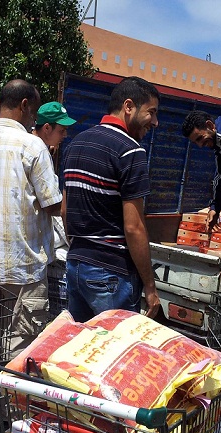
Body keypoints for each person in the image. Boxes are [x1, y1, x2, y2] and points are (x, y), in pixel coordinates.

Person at [0, 79, 62, 358]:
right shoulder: (32, 146)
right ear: (24, 105)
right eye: (34, 111)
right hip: (24, 267)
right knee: (20, 348)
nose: (34, 117)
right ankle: (9, 402)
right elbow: (52, 203)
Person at [61, 76, 161, 322]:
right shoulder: (131, 151)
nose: (156, 122)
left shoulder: (75, 144)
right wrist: (150, 286)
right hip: (111, 275)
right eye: (152, 112)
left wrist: (81, 250)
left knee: (81, 350)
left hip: (75, 266)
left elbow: (65, 210)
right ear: (128, 107)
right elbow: (133, 227)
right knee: (114, 353)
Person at [182, 110, 221, 230]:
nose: (200, 145)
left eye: (200, 138)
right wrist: (215, 208)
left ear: (210, 125)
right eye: (196, 142)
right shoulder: (218, 142)